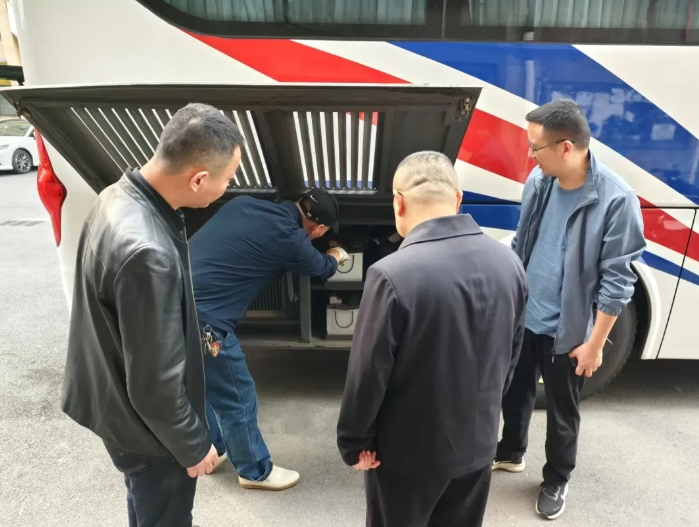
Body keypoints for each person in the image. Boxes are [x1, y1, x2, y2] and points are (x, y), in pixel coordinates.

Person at [61, 103, 244, 527]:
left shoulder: (116, 196)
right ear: (198, 179)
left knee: (145, 508)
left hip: (116, 410)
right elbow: (154, 388)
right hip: (148, 435)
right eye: (228, 178)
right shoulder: (148, 253)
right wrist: (194, 445)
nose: (227, 186)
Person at [336, 151, 528, 527]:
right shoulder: (509, 264)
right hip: (478, 446)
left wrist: (354, 442)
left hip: (407, 456)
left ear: (399, 202)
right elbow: (510, 355)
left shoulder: (391, 274)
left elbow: (368, 373)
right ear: (457, 199)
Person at [493, 99, 646, 520]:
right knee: (514, 391)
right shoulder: (539, 181)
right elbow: (523, 244)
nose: (530, 155)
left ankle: (557, 478)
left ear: (566, 147)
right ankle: (511, 451)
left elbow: (618, 283)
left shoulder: (616, 200)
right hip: (526, 315)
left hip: (569, 328)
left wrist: (594, 345)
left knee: (562, 411)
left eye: (535, 147)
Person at [188, 187, 349, 491]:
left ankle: (215, 448)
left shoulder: (243, 204)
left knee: (204, 383)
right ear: (318, 228)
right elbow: (322, 268)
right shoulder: (291, 238)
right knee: (238, 396)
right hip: (206, 322)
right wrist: (337, 254)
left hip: (172, 304)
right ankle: (254, 471)